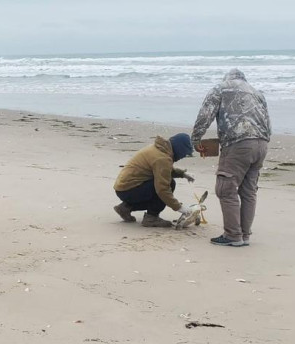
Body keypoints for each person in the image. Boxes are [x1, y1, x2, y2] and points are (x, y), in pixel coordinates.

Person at [191, 68, 271, 247]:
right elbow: (267, 123)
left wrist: (196, 139)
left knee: (225, 189)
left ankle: (233, 235)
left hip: (238, 143)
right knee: (249, 191)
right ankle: (245, 234)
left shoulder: (221, 89)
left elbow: (205, 115)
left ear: (226, 78)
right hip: (261, 144)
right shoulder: (258, 93)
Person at [113, 134, 196, 227]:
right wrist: (179, 207)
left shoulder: (159, 149)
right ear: (179, 149)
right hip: (129, 189)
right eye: (184, 153)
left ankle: (125, 208)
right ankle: (151, 218)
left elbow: (164, 171)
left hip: (123, 188)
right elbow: (162, 189)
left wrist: (182, 174)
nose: (183, 157)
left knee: (159, 188)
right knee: (169, 184)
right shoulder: (162, 158)